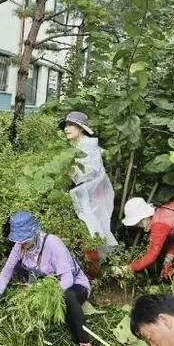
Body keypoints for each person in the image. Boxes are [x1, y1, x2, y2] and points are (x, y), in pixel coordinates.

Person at [0, 210, 95, 346]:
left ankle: (85, 345)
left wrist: (44, 296)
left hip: (73, 286)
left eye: (24, 239)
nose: (22, 243)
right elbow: (7, 270)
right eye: (19, 240)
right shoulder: (20, 246)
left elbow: (67, 279)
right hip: (45, 286)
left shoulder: (53, 244)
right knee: (18, 269)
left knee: (66, 296)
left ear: (34, 232)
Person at [60, 111, 117, 278]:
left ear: (82, 129)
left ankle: (93, 276)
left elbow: (88, 176)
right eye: (66, 125)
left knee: (90, 234)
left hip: (89, 200)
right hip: (78, 199)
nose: (67, 128)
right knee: (78, 234)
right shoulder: (75, 147)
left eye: (71, 125)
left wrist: (69, 170)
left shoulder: (89, 148)